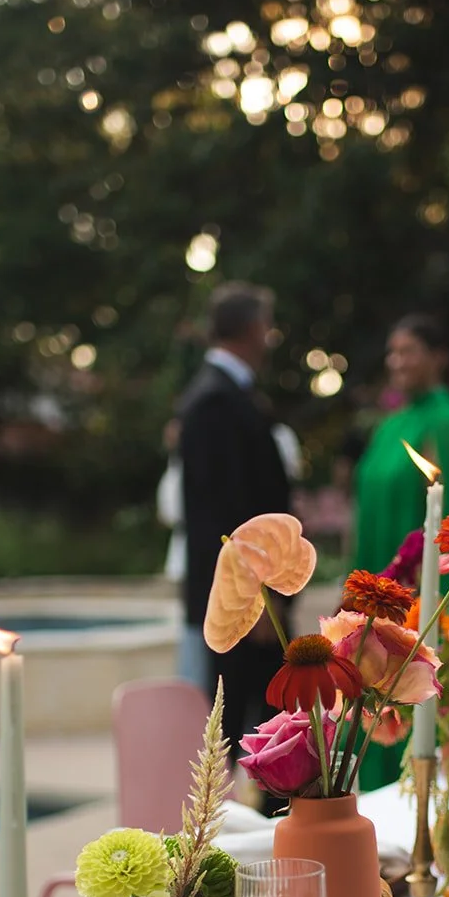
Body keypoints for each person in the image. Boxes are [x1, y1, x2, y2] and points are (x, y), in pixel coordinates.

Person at [352, 314, 449, 788]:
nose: (397, 361)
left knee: (404, 704)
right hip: (376, 593)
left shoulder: (445, 421)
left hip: (417, 601)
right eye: (393, 352)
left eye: (409, 351)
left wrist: (446, 607)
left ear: (438, 358)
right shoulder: (392, 425)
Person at [179, 282, 291, 759]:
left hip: (249, 593)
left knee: (267, 726)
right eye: (266, 325)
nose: (270, 336)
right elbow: (222, 513)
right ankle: (238, 830)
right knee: (237, 733)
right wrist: (255, 596)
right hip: (242, 602)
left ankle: (272, 826)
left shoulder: (229, 395)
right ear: (251, 329)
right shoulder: (214, 402)